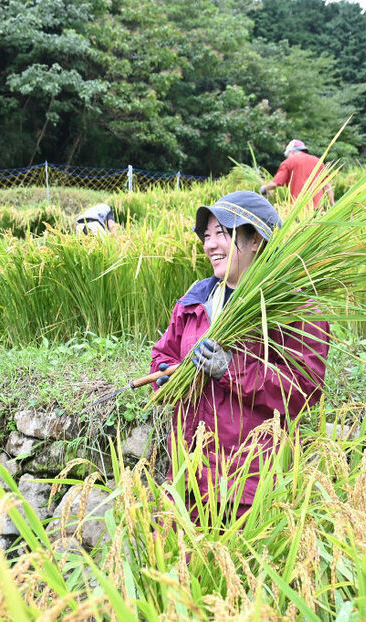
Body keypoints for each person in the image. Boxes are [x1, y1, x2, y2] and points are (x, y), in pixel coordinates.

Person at [150, 190, 329, 521]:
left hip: (248, 485)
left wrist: (230, 369)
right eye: (207, 236)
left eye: (222, 234)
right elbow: (164, 353)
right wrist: (165, 375)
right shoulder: (195, 300)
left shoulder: (292, 307)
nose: (210, 245)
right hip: (188, 478)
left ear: (256, 240)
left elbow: (304, 388)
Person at [259, 139, 334, 209]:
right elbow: (327, 186)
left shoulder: (288, 162)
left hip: (298, 209)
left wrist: (264, 188)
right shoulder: (318, 162)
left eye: (287, 155)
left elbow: (275, 183)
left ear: (291, 152)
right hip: (318, 210)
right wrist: (332, 204)